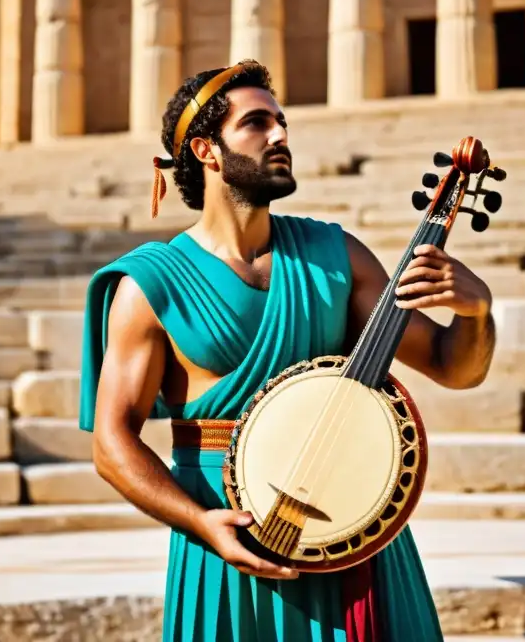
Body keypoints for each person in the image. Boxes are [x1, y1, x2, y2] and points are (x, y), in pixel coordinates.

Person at [79, 60, 497, 641]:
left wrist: (476, 312)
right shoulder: (150, 284)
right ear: (206, 150)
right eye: (257, 123)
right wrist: (202, 524)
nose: (280, 136)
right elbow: (111, 443)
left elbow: (455, 366)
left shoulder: (337, 254)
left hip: (354, 532)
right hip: (227, 543)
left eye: (281, 122)